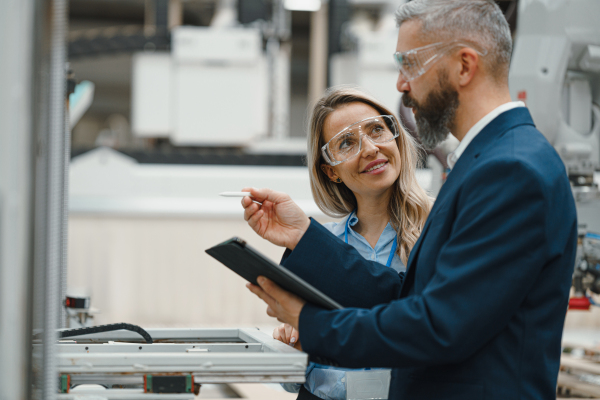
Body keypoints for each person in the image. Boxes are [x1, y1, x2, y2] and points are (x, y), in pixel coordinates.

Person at [242, 1, 578, 399]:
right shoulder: (486, 160)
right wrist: (304, 237)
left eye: (410, 63)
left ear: (464, 66)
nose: (401, 84)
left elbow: (439, 325)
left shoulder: (510, 170)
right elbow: (410, 296)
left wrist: (309, 322)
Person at [275, 87, 431, 400]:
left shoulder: (437, 230)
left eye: (377, 130)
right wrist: (291, 350)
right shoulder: (318, 248)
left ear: (396, 137)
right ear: (331, 171)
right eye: (346, 142)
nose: (370, 148)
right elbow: (291, 382)